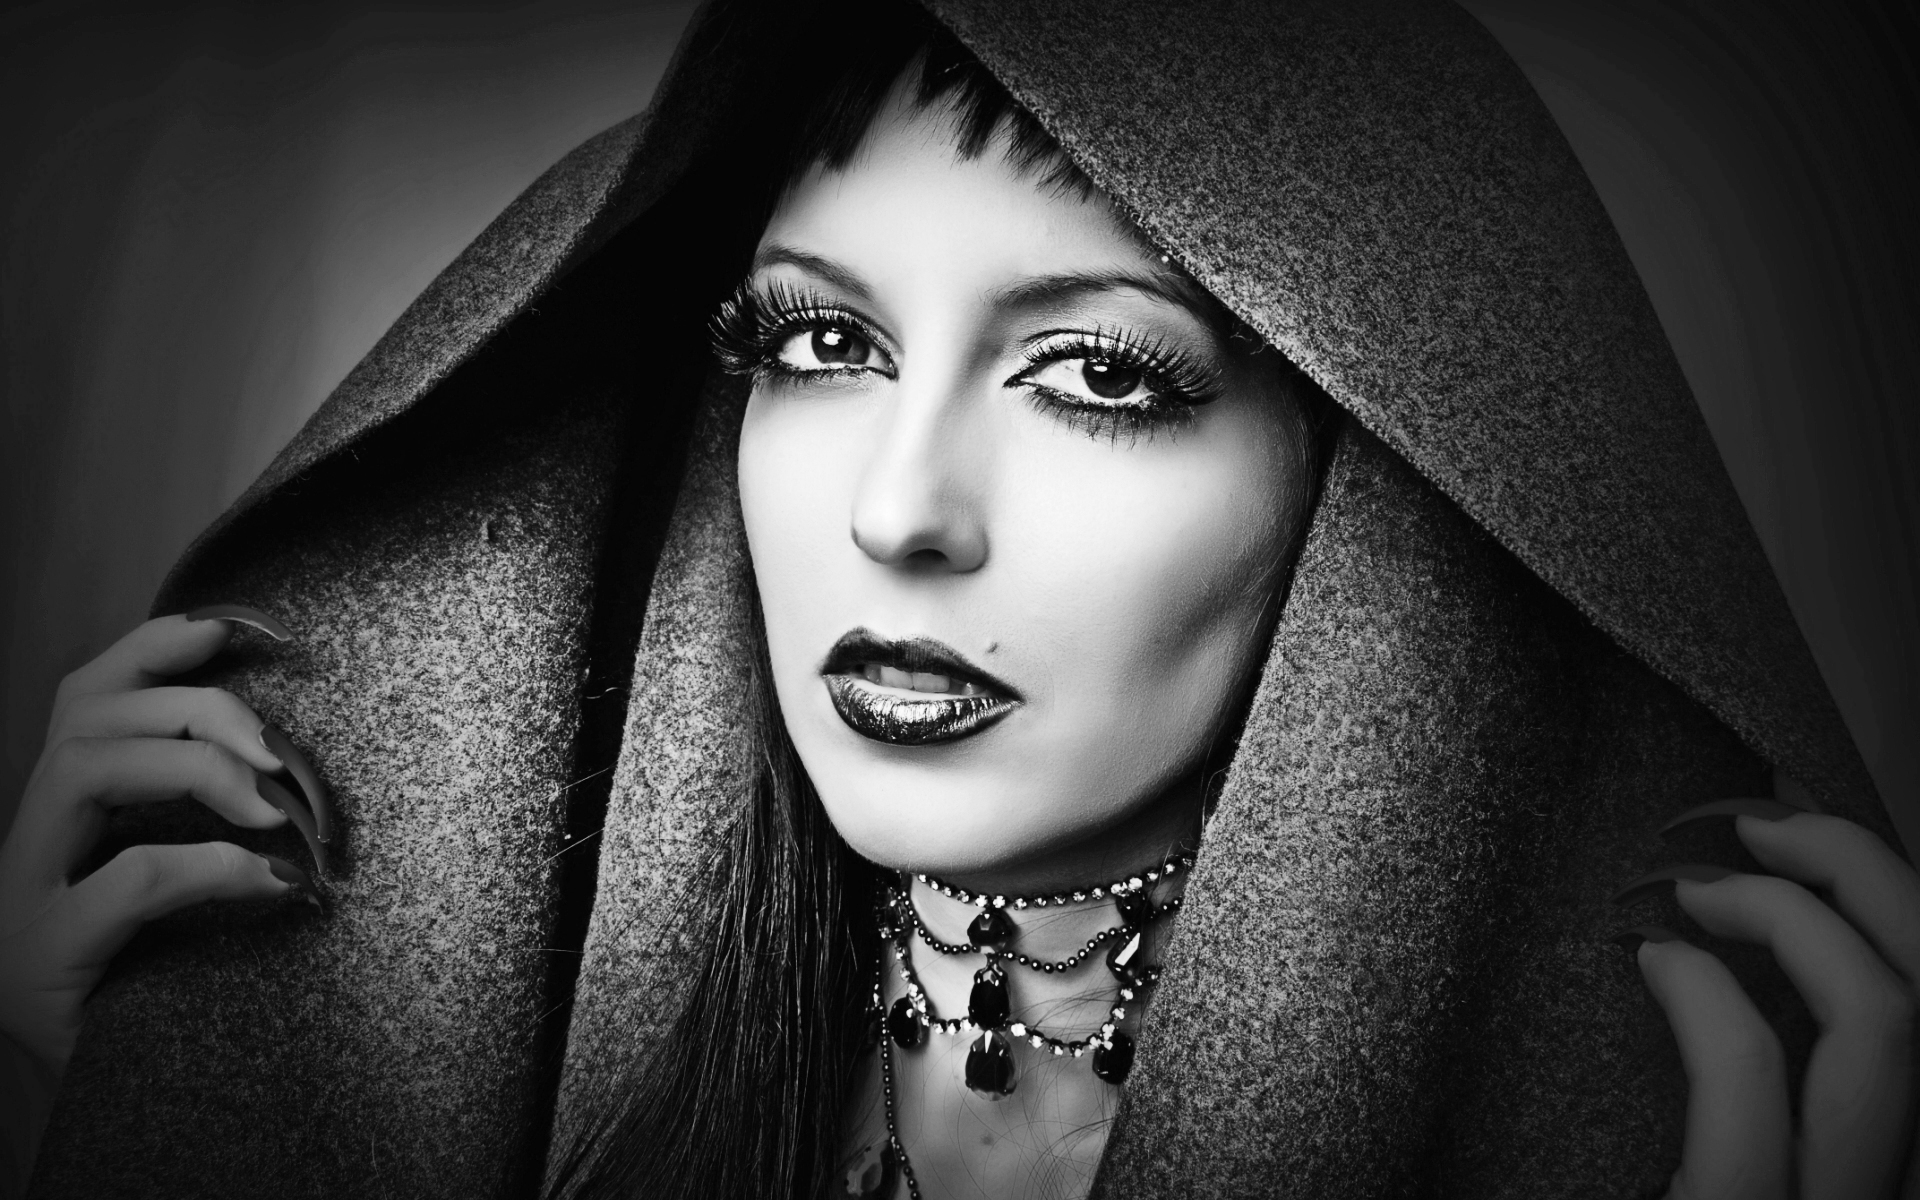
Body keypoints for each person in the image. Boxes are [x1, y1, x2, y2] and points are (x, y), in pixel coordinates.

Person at [3, 2, 1914, 1197]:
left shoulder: (1654, 1134)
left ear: (1386, 487)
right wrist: (156, 1098)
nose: (899, 511)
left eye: (1098, 375)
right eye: (821, 344)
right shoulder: (515, 1033)